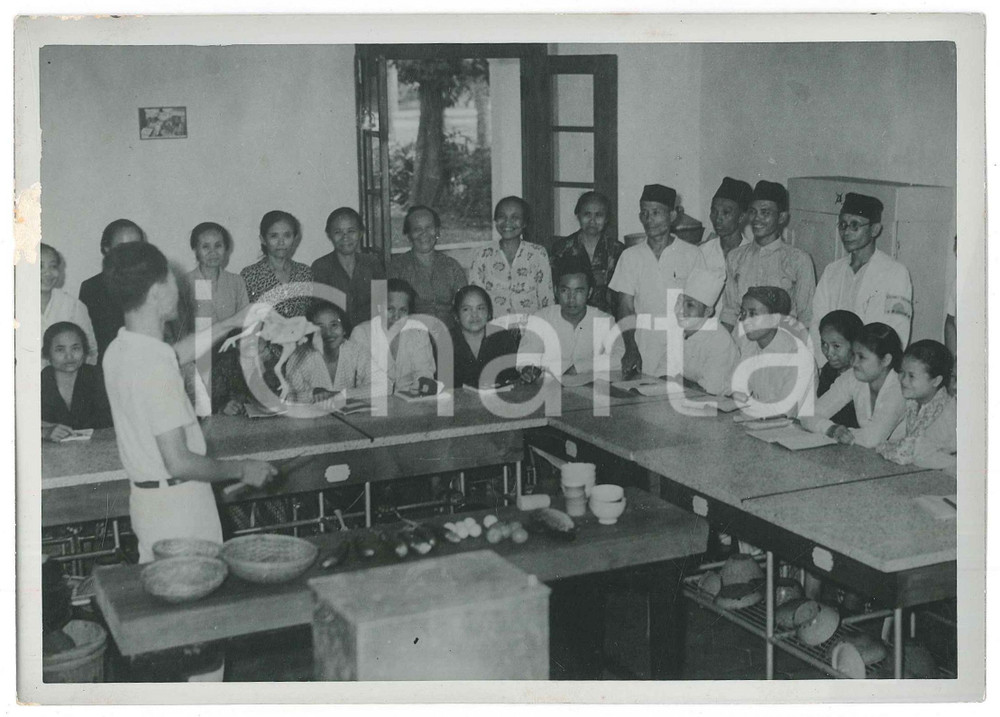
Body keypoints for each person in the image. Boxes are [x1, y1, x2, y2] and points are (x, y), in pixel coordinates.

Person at [101, 241, 277, 563]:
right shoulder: (152, 366)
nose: (177, 289)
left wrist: (230, 322)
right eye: (171, 280)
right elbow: (179, 460)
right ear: (156, 291)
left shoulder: (120, 349)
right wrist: (243, 468)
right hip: (179, 508)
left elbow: (174, 355)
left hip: (151, 503)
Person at [608, 183, 707, 378]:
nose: (649, 220)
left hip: (682, 347)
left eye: (656, 212)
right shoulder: (630, 256)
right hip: (641, 345)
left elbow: (700, 309)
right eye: (644, 213)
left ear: (672, 216)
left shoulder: (692, 254)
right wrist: (631, 347)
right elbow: (625, 307)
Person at [810, 193, 913, 362]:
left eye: (855, 225)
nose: (846, 232)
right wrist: (824, 362)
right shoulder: (832, 271)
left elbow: (897, 329)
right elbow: (818, 322)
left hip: (871, 367)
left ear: (875, 229)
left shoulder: (895, 272)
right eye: (842, 225)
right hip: (832, 362)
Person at [719, 181, 815, 332]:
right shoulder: (735, 257)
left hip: (784, 346)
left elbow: (807, 318)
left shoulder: (799, 260)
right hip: (743, 345)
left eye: (765, 212)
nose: (756, 219)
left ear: (782, 217)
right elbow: (730, 312)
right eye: (752, 211)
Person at [517, 255, 624, 382]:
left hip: (590, 392)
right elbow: (527, 356)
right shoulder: (542, 318)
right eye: (565, 291)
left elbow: (620, 356)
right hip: (547, 390)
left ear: (589, 292)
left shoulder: (604, 321)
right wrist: (528, 369)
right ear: (556, 291)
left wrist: (579, 368)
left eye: (578, 291)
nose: (571, 298)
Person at [800, 322, 905, 447]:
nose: (854, 363)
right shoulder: (853, 377)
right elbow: (808, 414)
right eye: (854, 355)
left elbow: (872, 439)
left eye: (862, 357)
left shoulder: (899, 388)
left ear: (886, 360)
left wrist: (840, 433)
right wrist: (830, 429)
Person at [732, 286, 815, 417]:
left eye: (753, 314)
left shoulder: (797, 356)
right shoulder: (748, 345)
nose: (745, 321)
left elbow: (784, 413)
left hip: (791, 430)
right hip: (755, 421)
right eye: (743, 313)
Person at [469, 196, 553, 324]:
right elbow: (475, 300)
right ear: (495, 220)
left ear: (524, 223)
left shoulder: (538, 254)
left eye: (515, 217)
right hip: (494, 331)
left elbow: (546, 300)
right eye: (502, 216)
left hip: (531, 332)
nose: (508, 222)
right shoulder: (482, 255)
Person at [877, 340, 956, 473]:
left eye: (911, 376)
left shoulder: (947, 411)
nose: (903, 380)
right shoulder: (914, 402)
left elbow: (907, 452)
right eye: (902, 372)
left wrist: (885, 447)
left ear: (936, 381)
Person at [350, 278, 435, 395]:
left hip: (408, 404)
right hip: (371, 402)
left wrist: (422, 383)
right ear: (379, 307)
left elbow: (424, 372)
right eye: (390, 309)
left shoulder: (418, 333)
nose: (396, 317)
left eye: (403, 310)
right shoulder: (361, 334)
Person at [79, 218, 146, 364]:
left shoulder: (154, 282)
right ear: (106, 249)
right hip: (109, 369)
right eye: (122, 246)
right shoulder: (91, 288)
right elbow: (89, 340)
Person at [389, 205, 467, 329]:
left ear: (437, 231)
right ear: (408, 235)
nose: (424, 233)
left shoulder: (452, 266)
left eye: (429, 227)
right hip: (411, 338)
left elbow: (465, 306)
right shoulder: (397, 268)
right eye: (417, 229)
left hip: (449, 337)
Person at [548, 191, 623, 315]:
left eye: (598, 215)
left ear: (606, 219)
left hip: (606, 319)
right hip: (570, 317)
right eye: (587, 214)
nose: (592, 221)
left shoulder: (617, 250)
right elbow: (554, 290)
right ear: (578, 216)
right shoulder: (561, 249)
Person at [283, 300, 373, 403]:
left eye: (334, 325)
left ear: (344, 329)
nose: (328, 333)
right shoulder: (299, 358)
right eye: (320, 327)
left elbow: (384, 385)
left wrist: (341, 395)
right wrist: (311, 394)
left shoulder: (355, 351)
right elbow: (287, 397)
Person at [311, 207, 386, 328]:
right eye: (338, 232)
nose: (345, 237)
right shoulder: (320, 267)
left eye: (351, 231)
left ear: (360, 233)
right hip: (336, 336)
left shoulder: (372, 263)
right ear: (329, 235)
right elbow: (320, 312)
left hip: (370, 334)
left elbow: (382, 305)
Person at [671, 267, 739, 396]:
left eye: (690, 305)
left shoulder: (719, 340)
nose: (681, 310)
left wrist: (679, 381)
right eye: (680, 302)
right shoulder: (680, 331)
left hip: (721, 405)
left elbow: (710, 390)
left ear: (707, 312)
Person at [41, 322, 112, 441]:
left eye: (75, 348)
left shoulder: (99, 377)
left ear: (84, 351)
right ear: (47, 354)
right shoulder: (40, 381)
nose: (69, 357)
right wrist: (44, 432)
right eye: (60, 350)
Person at [240, 210, 313, 318]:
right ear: (263, 239)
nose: (281, 242)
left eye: (287, 235)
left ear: (295, 238)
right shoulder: (249, 275)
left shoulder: (305, 273)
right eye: (274, 236)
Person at [700, 177, 752, 317]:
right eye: (714, 211)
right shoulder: (702, 253)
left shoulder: (752, 255)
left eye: (726, 212)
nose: (717, 218)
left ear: (741, 217)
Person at [449, 285, 520, 389]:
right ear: (456, 315)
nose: (474, 315)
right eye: (466, 309)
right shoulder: (446, 341)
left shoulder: (502, 338)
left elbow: (513, 379)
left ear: (489, 312)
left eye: (480, 308)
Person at [40, 243, 98, 365]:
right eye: (40, 266)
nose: (48, 273)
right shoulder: (10, 305)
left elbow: (90, 352)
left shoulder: (73, 306)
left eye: (53, 266)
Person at [816, 310, 865, 429]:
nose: (829, 352)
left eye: (836, 346)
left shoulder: (864, 375)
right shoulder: (828, 371)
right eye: (824, 344)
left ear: (855, 344)